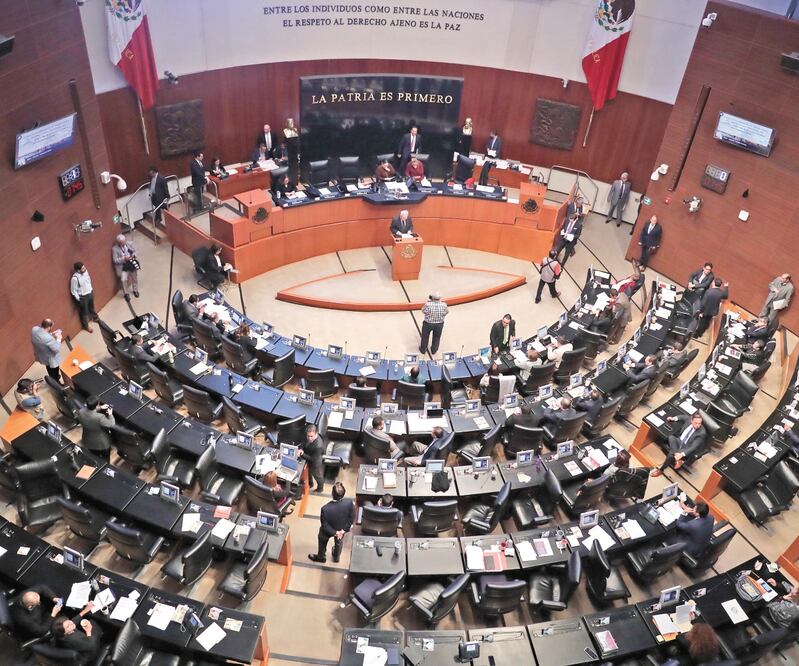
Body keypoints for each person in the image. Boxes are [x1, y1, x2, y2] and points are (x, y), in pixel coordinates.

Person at [309, 481, 354, 563]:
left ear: (332, 493)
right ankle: (336, 558)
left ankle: (321, 557)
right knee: (339, 542)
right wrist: (342, 531)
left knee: (322, 538)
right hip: (342, 529)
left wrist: (335, 532)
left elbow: (325, 525)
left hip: (329, 531)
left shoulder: (325, 509)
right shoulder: (349, 503)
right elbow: (351, 518)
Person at [78, 395, 115, 461]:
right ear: (97, 405)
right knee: (105, 460)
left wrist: (100, 407)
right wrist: (110, 414)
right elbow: (111, 424)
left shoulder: (80, 412)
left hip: (87, 441)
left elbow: (89, 412)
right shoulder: (99, 417)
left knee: (94, 458)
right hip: (101, 444)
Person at [70, 262, 98, 332]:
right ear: (78, 270)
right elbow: (73, 291)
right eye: (82, 268)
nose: (84, 269)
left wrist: (91, 289)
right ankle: (86, 326)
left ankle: (95, 318)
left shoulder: (85, 272)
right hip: (83, 297)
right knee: (84, 312)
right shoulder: (75, 279)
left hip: (90, 293)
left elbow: (88, 280)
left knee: (92, 307)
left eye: (84, 267)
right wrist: (79, 299)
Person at [112, 234, 139, 301]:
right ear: (118, 242)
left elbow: (135, 251)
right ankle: (126, 294)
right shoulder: (114, 249)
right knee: (123, 280)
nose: (123, 243)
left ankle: (135, 290)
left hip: (131, 263)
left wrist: (133, 255)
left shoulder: (130, 244)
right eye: (121, 243)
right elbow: (115, 260)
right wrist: (123, 258)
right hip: (123, 266)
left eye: (124, 241)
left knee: (134, 278)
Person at [300, 423, 325, 494]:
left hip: (315, 463)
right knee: (308, 472)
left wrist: (302, 454)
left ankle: (320, 488)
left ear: (316, 433)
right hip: (307, 456)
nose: (309, 438)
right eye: (308, 436)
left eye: (311, 436)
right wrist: (301, 449)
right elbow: (303, 442)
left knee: (318, 477)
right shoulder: (307, 436)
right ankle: (310, 484)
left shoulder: (318, 445)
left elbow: (313, 459)